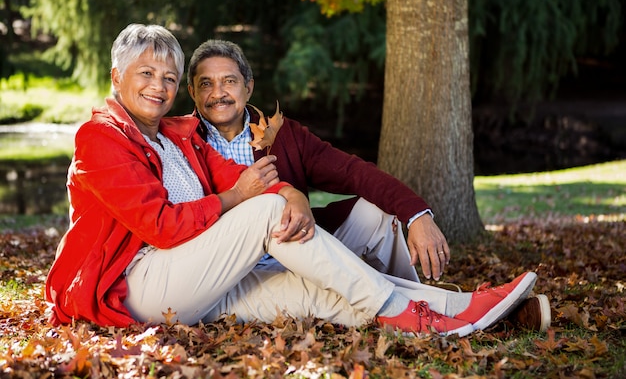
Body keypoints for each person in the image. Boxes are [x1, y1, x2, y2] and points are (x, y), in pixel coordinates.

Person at [45, 23, 537, 337]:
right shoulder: (100, 137)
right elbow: (165, 223)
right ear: (117, 77)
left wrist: (291, 193)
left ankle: (460, 311)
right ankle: (413, 307)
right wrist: (245, 198)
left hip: (206, 277)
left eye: (168, 77)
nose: (159, 85)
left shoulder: (175, 138)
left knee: (314, 293)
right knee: (261, 210)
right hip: (138, 283)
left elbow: (252, 177)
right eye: (146, 73)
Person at [186, 39, 551, 332]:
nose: (218, 93)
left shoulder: (285, 136)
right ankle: (444, 312)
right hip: (239, 272)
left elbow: (355, 172)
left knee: (377, 214)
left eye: (229, 81)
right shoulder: (183, 141)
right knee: (346, 294)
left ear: (248, 87)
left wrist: (416, 214)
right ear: (192, 92)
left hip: (302, 245)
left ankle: (422, 310)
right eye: (207, 83)